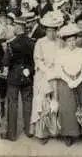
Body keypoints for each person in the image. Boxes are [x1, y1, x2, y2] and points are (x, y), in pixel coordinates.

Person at [50, 23, 82, 146]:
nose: (72, 43)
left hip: (80, 80)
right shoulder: (60, 53)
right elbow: (58, 70)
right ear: (65, 41)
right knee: (68, 108)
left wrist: (78, 80)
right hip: (65, 82)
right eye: (69, 41)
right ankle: (69, 134)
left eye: (74, 40)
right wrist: (69, 81)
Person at [30, 11, 64, 145]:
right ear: (46, 30)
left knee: (55, 102)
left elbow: (63, 57)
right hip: (43, 75)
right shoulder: (40, 42)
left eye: (53, 30)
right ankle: (42, 132)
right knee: (42, 102)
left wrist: (57, 68)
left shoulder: (61, 42)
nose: (51, 33)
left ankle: (55, 130)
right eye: (49, 31)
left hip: (56, 74)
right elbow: (37, 59)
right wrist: (46, 69)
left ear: (57, 31)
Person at [1, 16, 35, 141]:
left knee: (12, 104)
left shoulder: (11, 43)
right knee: (28, 103)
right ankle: (28, 130)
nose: (14, 27)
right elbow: (34, 61)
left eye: (15, 25)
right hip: (27, 76)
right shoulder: (31, 42)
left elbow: (6, 61)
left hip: (14, 77)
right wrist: (29, 70)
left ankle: (12, 133)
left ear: (18, 27)